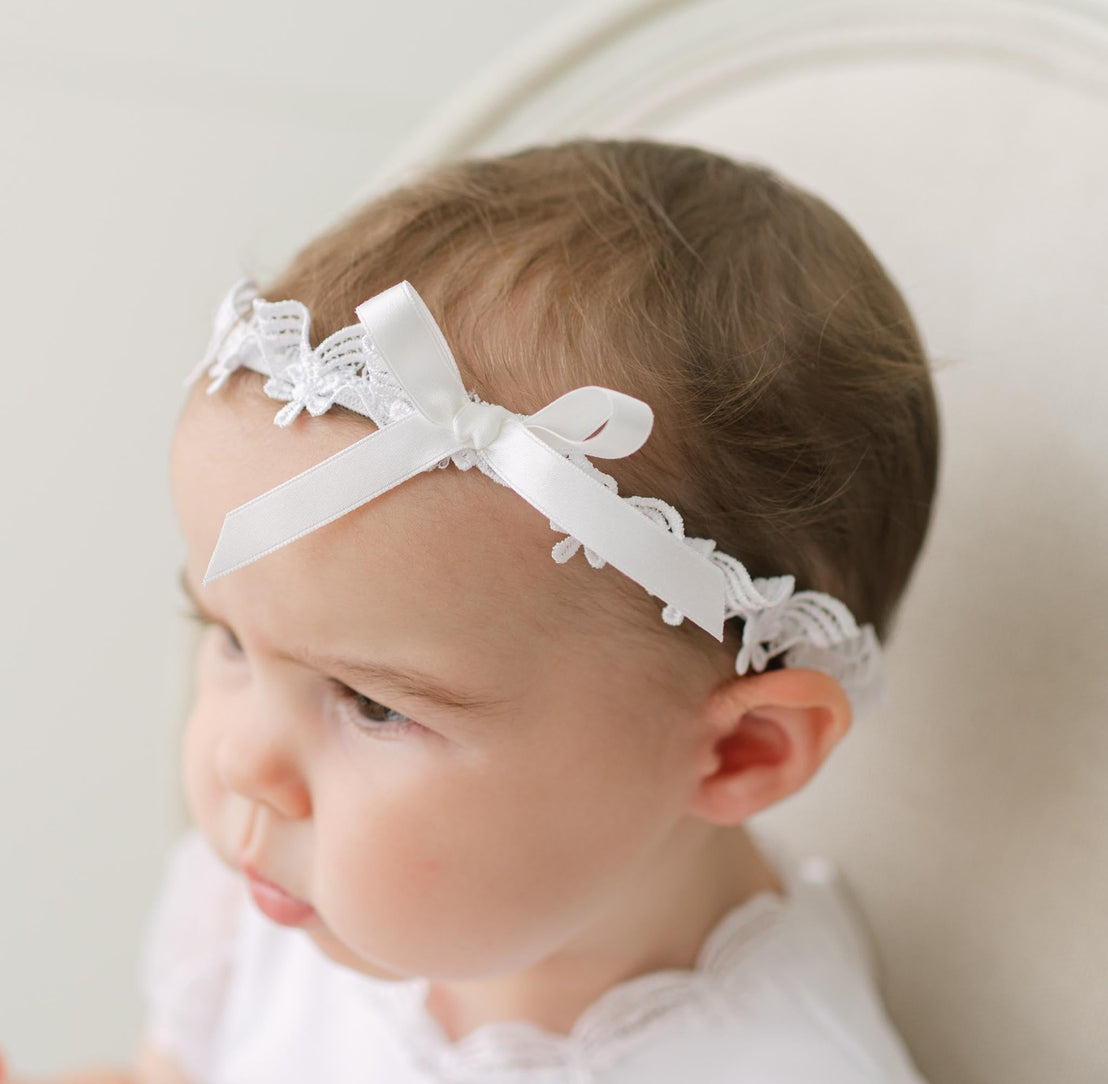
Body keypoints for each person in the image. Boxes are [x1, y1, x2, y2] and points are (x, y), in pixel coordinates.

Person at [4, 138, 939, 1083]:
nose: (241, 761)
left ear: (744, 753)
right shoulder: (281, 900)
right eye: (228, 639)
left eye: (374, 705)